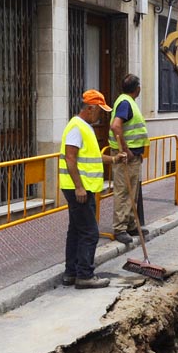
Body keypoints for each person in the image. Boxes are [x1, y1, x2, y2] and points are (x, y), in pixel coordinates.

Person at [60, 89, 127, 289]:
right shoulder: (76, 127)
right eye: (100, 110)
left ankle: (71, 273)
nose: (101, 114)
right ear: (90, 108)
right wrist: (79, 187)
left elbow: (93, 156)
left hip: (82, 188)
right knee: (90, 232)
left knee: (76, 231)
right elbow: (70, 157)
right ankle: (84, 275)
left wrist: (114, 159)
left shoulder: (84, 127)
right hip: (79, 190)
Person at [109, 74, 150, 244]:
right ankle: (120, 228)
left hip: (133, 156)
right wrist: (125, 150)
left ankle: (132, 224)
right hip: (127, 158)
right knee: (124, 191)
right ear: (137, 89)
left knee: (132, 191)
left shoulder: (127, 102)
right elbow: (116, 126)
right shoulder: (125, 103)